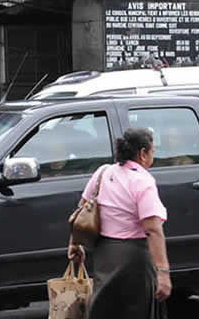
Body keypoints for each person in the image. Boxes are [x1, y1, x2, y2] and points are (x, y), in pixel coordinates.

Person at [68, 127, 170, 319]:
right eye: (152, 152)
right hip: (134, 259)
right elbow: (152, 230)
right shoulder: (143, 181)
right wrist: (163, 272)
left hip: (105, 256)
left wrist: (74, 244)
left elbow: (82, 211)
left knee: (106, 310)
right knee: (137, 311)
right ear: (142, 153)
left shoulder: (103, 173)